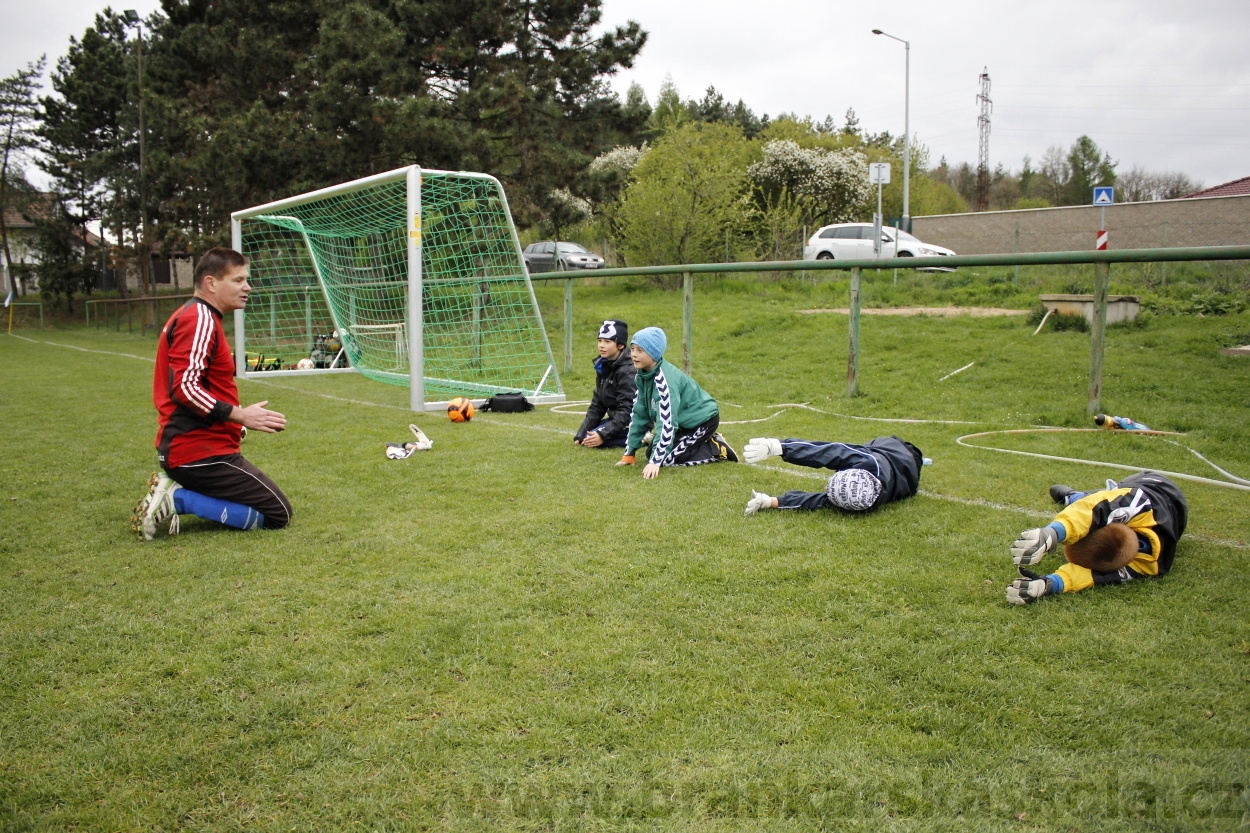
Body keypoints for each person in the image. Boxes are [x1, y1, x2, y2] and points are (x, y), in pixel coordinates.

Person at [131, 247, 293, 540]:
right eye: (238, 279)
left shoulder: (200, 316)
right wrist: (240, 414)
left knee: (271, 508)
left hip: (198, 447)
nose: (247, 287)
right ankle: (179, 498)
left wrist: (234, 422)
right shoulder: (200, 318)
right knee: (277, 514)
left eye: (247, 279)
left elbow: (200, 385)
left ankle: (179, 492)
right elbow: (185, 389)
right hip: (197, 452)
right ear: (211, 283)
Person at [1005, 472, 1188, 605]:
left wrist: (1053, 534)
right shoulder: (1138, 506)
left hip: (1153, 485)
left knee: (1094, 501)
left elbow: (1095, 511)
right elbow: (1096, 511)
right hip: (1151, 484)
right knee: (1104, 500)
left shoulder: (1139, 503)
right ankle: (1077, 498)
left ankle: (1074, 497)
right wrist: (1053, 535)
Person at [617, 326, 737, 479]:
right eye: (632, 349)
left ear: (654, 353)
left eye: (640, 350)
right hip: (682, 422)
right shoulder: (642, 376)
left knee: (665, 460)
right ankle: (695, 443)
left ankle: (716, 448)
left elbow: (667, 422)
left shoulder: (665, 382)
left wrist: (655, 462)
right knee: (651, 453)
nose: (633, 354)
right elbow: (639, 413)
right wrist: (630, 452)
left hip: (702, 421)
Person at [740, 436, 925, 515]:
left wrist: (770, 501)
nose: (825, 488)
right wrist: (781, 448)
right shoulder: (868, 461)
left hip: (907, 473)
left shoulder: (863, 502)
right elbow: (829, 452)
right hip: (895, 449)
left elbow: (817, 501)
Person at [573, 319, 636, 450]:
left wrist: (603, 435)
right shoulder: (603, 364)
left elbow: (628, 409)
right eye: (600, 340)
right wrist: (580, 433)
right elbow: (598, 403)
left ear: (620, 345)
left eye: (607, 342)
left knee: (592, 439)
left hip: (632, 420)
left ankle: (641, 436)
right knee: (586, 437)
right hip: (618, 419)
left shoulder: (628, 370)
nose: (601, 345)